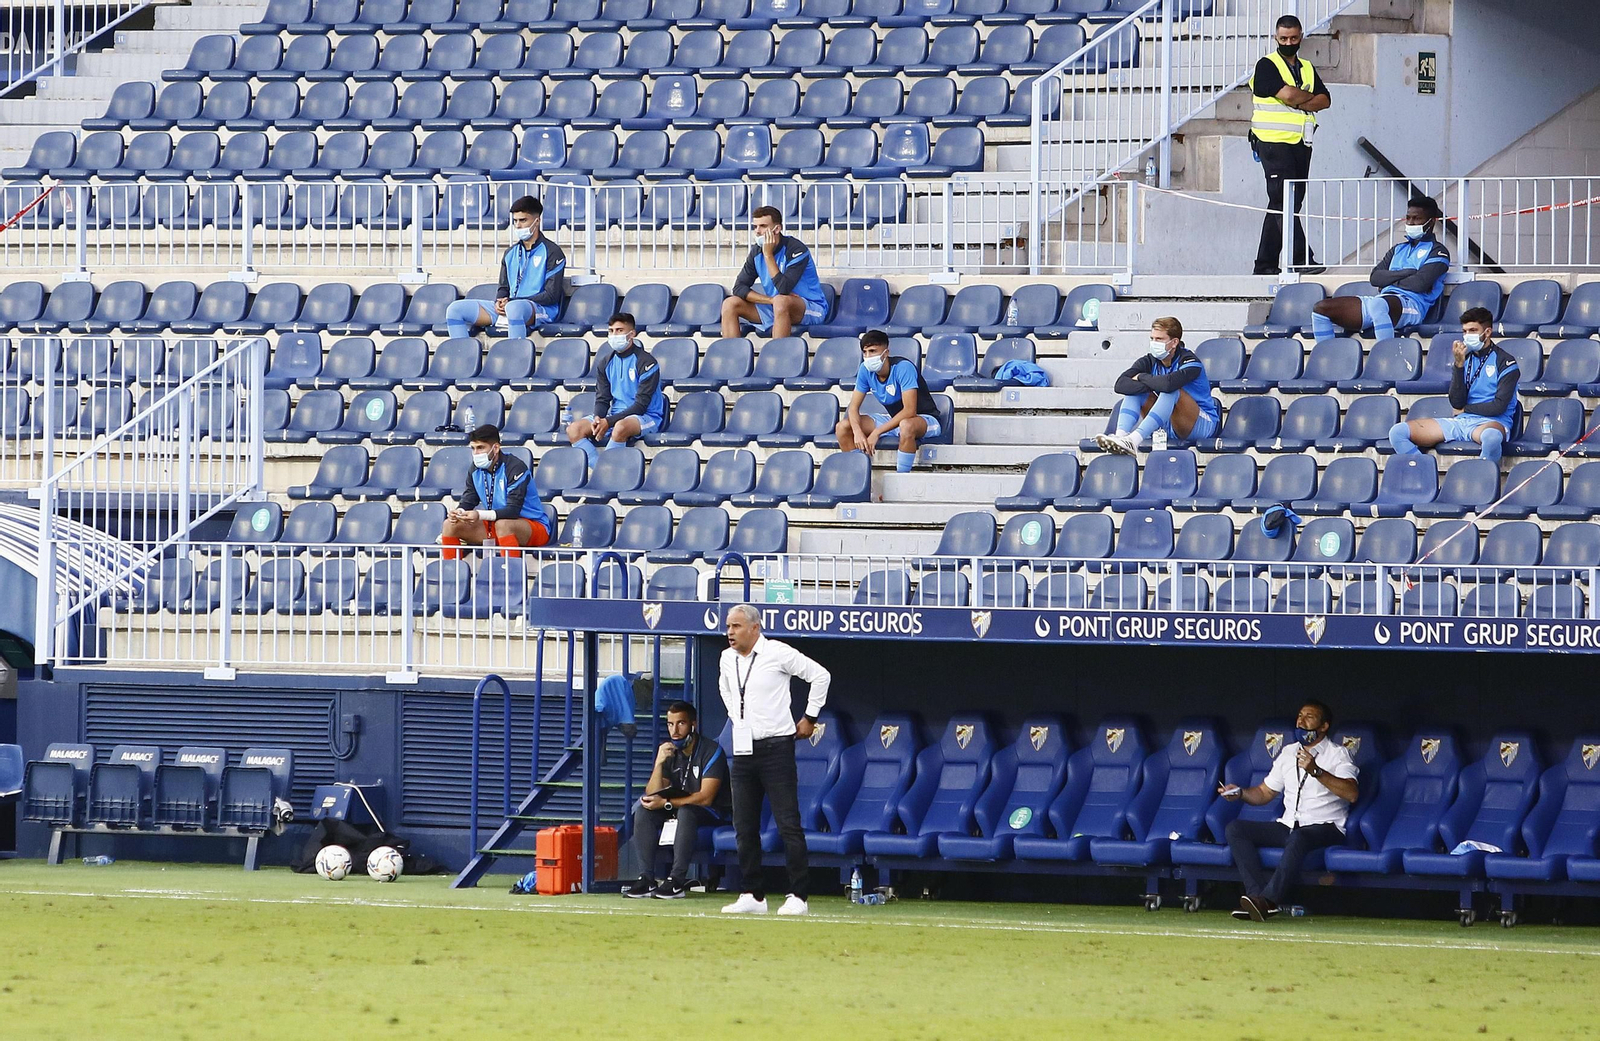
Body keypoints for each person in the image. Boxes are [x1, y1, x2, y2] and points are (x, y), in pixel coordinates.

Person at [718, 604, 831, 917]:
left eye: (737, 626)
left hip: (777, 748)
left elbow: (820, 675)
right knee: (744, 825)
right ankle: (753, 894)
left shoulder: (778, 652)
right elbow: (725, 689)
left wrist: (809, 717)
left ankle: (798, 895)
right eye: (728, 626)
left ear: (755, 628)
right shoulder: (727, 658)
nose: (730, 632)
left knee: (787, 824)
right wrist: (738, 718)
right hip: (742, 749)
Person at [1220, 699, 1359, 921]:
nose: (1301, 721)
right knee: (1236, 829)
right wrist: (1240, 793)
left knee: (1301, 836)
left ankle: (1269, 901)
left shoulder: (1337, 754)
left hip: (1326, 827)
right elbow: (1265, 793)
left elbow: (1352, 793)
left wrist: (1316, 771)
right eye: (1300, 716)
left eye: (1309, 717)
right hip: (1288, 826)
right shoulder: (1288, 752)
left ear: (1324, 726)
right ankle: (1257, 898)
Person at [622, 700, 730, 900]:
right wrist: (659, 762)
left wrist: (666, 804)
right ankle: (647, 878)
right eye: (670, 724)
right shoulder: (670, 750)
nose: (675, 730)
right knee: (644, 811)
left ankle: (677, 881)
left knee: (686, 811)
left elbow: (706, 798)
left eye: (680, 723)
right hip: (677, 806)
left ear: (693, 725)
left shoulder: (711, 750)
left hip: (711, 812)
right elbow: (653, 792)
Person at [1310, 195, 1451, 343]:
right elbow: (1375, 278)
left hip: (1413, 306)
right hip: (1382, 303)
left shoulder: (1438, 251)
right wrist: (1406, 273)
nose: (1410, 222)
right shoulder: (1398, 249)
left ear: (1432, 221)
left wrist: (1388, 281)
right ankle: (1329, 359)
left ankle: (1386, 356)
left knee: (1378, 305)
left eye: (1416, 219)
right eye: (1408, 218)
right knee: (1321, 309)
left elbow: (1419, 284)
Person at [1250, 14, 1330, 276]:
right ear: (1276, 38)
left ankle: (1265, 265)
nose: (1288, 42)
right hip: (1272, 143)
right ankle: (1301, 258)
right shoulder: (1267, 65)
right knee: (1284, 201)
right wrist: (1302, 98)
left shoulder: (1306, 66)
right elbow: (1288, 95)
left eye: (1293, 38)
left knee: (1286, 204)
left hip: (1300, 143)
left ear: (1301, 37)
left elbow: (1325, 100)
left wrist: (1297, 100)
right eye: (1283, 38)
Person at [1389, 307, 1518, 463]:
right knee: (1398, 432)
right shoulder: (1464, 358)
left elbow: (1499, 406)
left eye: (1473, 330)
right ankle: (1424, 471)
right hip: (1461, 421)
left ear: (1488, 332)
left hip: (1491, 423)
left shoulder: (1505, 361)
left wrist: (1465, 409)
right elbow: (1456, 402)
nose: (1467, 336)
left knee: (1491, 438)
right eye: (1464, 331)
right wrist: (1458, 365)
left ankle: (1483, 481)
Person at [443, 195, 566, 341]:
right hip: (511, 305)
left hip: (540, 309)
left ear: (537, 221)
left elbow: (551, 295)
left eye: (523, 220)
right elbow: (503, 288)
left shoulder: (553, 251)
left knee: (514, 309)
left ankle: (516, 359)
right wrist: (499, 302)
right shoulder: (510, 253)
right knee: (455, 310)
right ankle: (461, 358)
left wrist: (513, 301)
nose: (518, 226)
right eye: (515, 221)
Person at [1093, 317, 1220, 455]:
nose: (1154, 343)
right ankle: (1120, 437)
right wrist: (1154, 384)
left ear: (1174, 342)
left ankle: (1134, 440)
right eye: (1152, 338)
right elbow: (1120, 385)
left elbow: (1168, 385)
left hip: (1201, 425)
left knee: (1171, 391)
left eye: (1159, 339)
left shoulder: (1190, 361)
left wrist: (1142, 377)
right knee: (1135, 393)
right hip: (1169, 422)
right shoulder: (1149, 360)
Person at [565, 312, 666, 470]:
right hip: (615, 415)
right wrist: (599, 419)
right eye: (611, 330)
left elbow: (640, 406)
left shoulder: (647, 363)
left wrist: (609, 422)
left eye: (619, 330)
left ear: (631, 334)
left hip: (647, 416)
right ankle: (601, 470)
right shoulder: (605, 363)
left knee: (620, 427)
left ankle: (608, 472)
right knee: (574, 429)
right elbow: (602, 398)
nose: (614, 335)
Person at [835, 329, 943, 473]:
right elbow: (853, 408)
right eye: (865, 352)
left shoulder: (903, 367)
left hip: (923, 419)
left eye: (873, 351)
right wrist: (858, 432)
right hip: (895, 420)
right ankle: (859, 479)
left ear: (886, 353)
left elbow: (909, 411)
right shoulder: (865, 370)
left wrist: (877, 432)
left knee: (906, 425)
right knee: (843, 427)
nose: (868, 357)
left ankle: (900, 482)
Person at [439, 424, 552, 559]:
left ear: (496, 448)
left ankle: (511, 576)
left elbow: (512, 511)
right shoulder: (475, 468)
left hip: (532, 527)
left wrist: (479, 514)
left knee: (503, 524)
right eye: (473, 448)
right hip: (495, 526)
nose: (476, 453)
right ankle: (452, 576)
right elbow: (470, 497)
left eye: (481, 448)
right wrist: (460, 512)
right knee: (450, 525)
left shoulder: (515, 467)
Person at [720, 206, 829, 340]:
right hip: (776, 306)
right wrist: (769, 300)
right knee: (730, 304)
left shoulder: (796, 249)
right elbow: (739, 288)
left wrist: (768, 255)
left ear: (777, 229)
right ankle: (731, 358)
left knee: (781, 301)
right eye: (755, 227)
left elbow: (783, 288)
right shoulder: (756, 252)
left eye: (763, 226)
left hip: (811, 308)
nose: (758, 232)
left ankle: (778, 357)